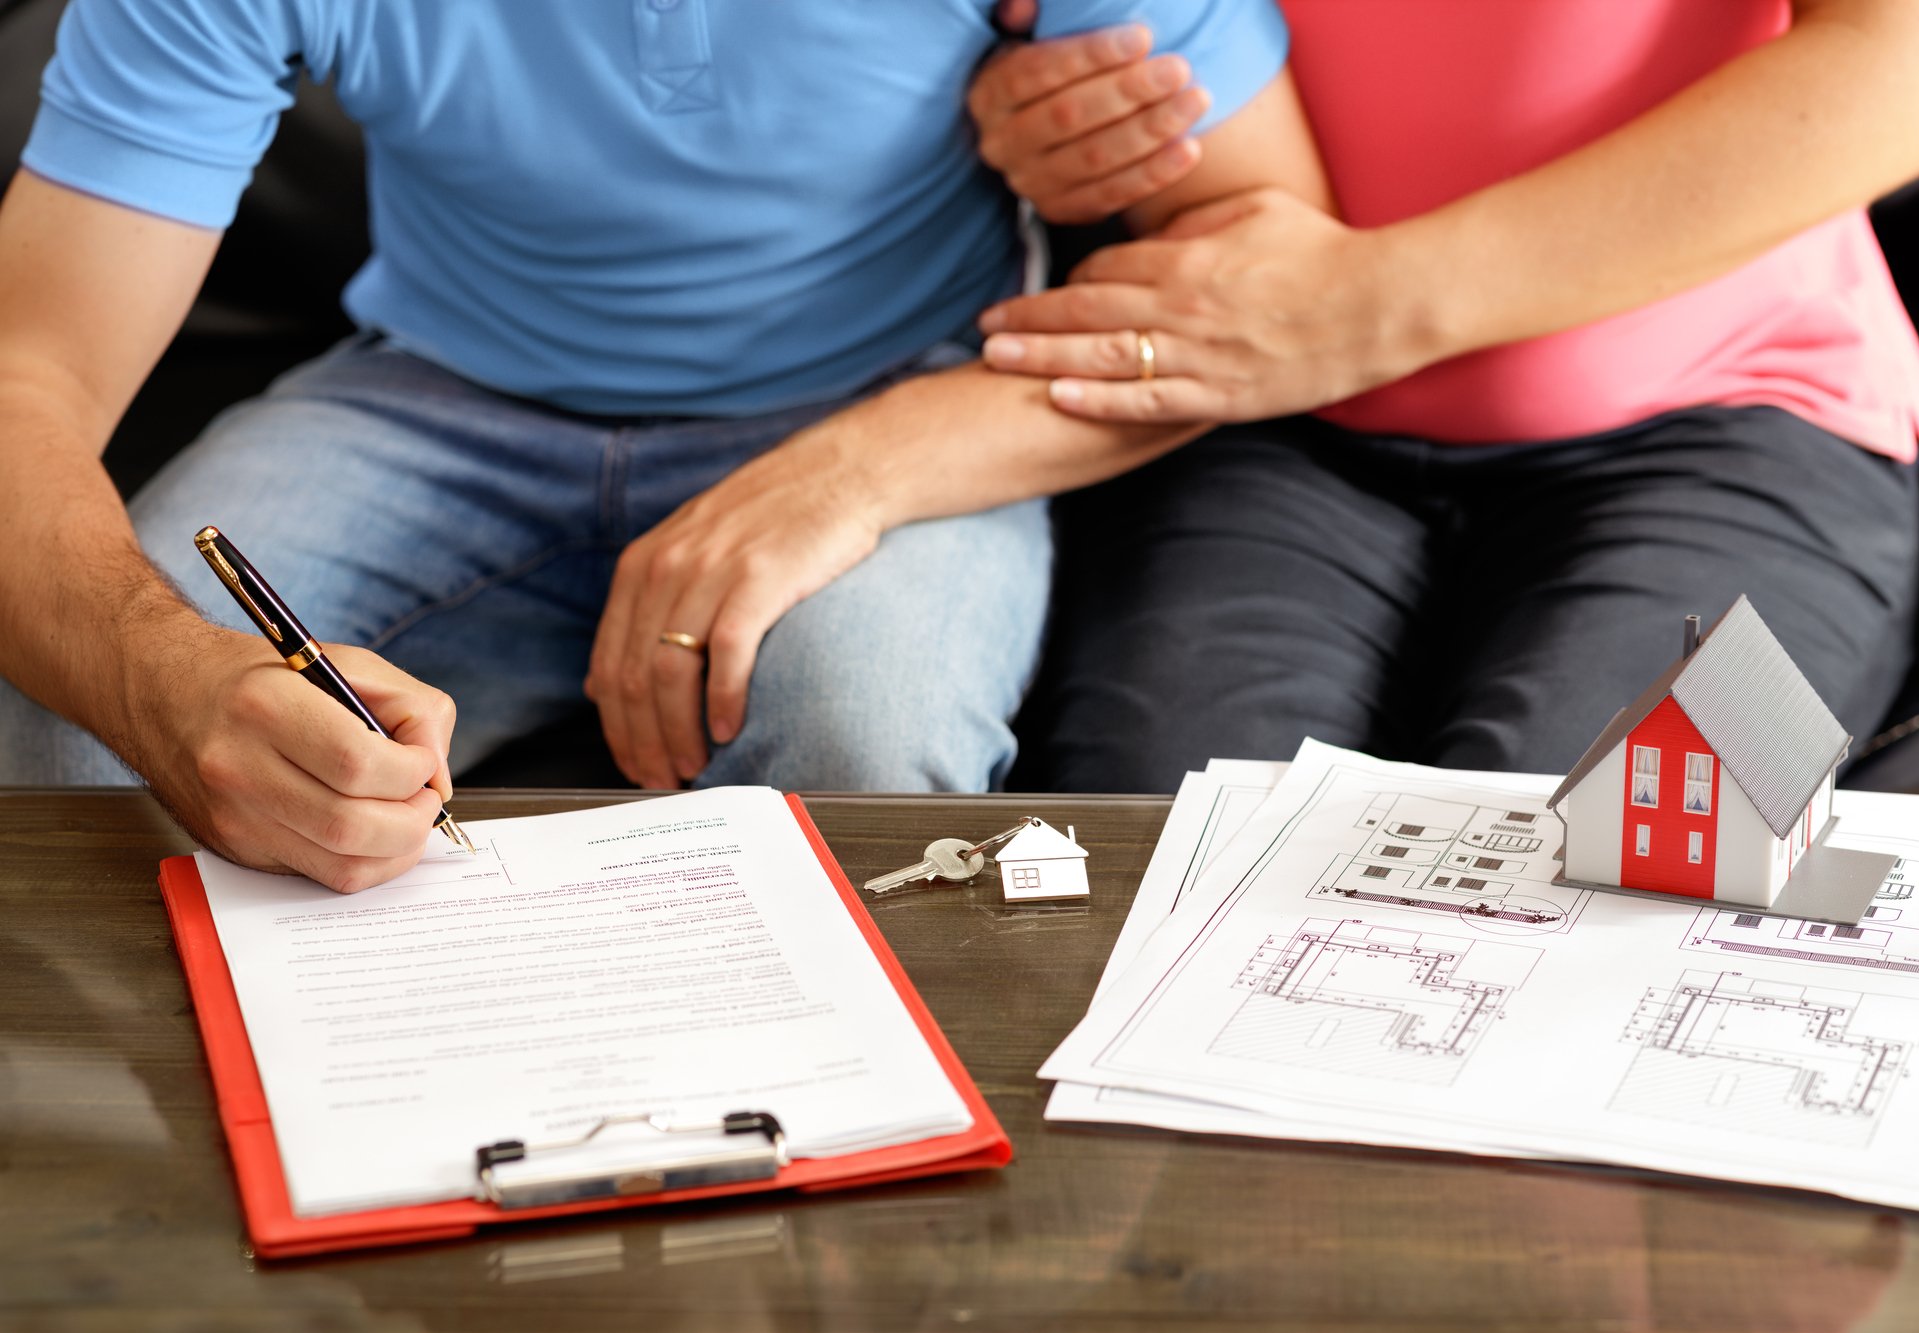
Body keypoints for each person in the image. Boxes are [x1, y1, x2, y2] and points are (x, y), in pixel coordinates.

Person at [0, 0, 1330, 891]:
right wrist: (157, 678)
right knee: (73, 735)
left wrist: (854, 473)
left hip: (882, 402)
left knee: (867, 742)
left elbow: (1261, 262)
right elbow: (28, 375)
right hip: (432, 396)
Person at [969, 0, 1919, 792]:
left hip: (1756, 411)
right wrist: (1053, 117)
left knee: (1630, 894)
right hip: (1267, 427)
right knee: (1159, 886)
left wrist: (1361, 308)